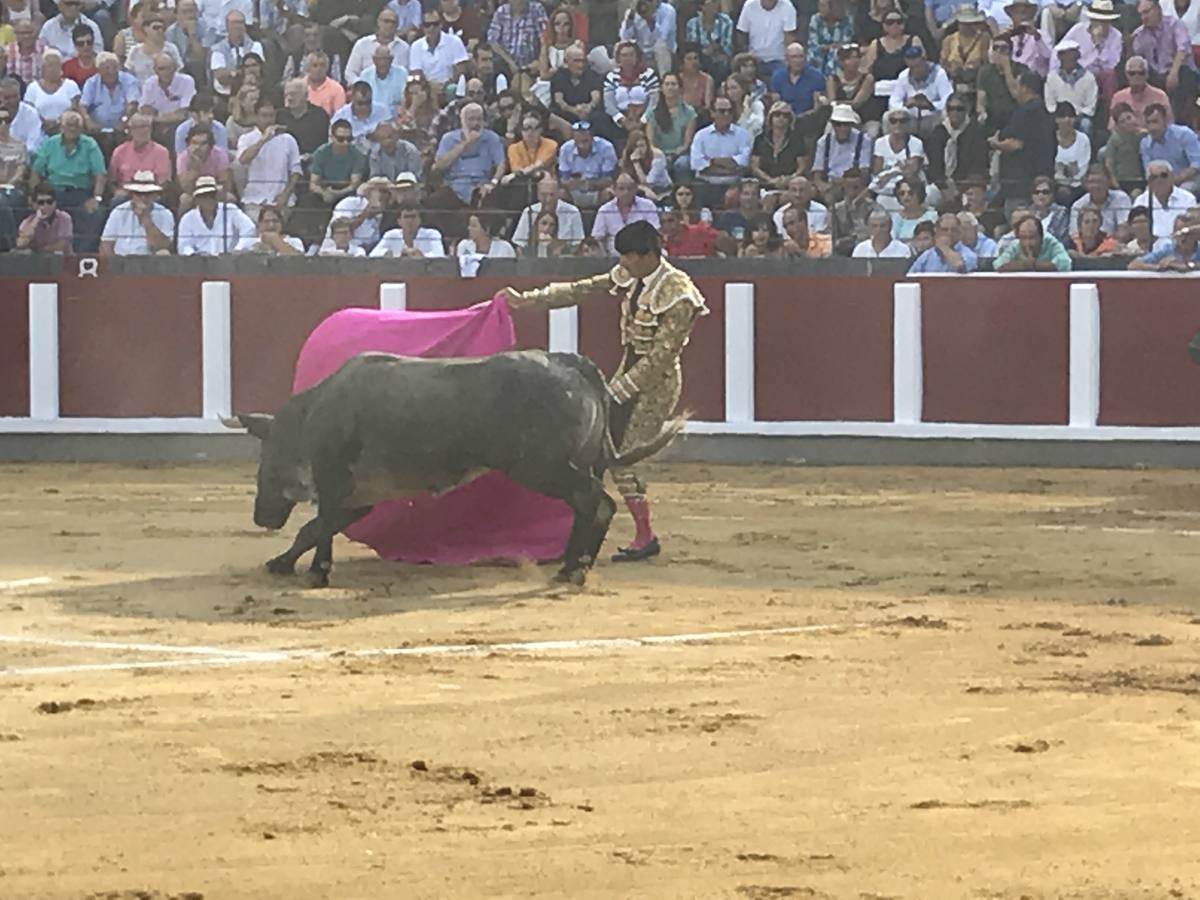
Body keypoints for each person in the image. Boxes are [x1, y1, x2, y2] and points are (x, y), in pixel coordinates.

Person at [503, 220, 709, 562]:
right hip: (629, 367)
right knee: (598, 452)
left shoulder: (678, 292)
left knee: (622, 458)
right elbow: (584, 289)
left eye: (628, 257)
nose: (623, 264)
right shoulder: (633, 274)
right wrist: (529, 300)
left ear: (647, 256)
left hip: (657, 384)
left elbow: (661, 356)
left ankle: (645, 537)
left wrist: (617, 393)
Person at [29, 108, 104, 250]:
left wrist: (97, 198)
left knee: (95, 212)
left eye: (76, 125)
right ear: (61, 127)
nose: (72, 128)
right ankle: (43, 255)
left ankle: (81, 257)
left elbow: (100, 174)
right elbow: (36, 171)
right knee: (39, 210)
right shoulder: (50, 143)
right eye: (69, 124)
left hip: (80, 192)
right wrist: (34, 196)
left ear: (81, 128)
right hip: (53, 192)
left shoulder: (90, 144)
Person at [991, 69, 1055, 202]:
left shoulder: (1026, 112)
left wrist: (995, 144)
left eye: (1018, 85)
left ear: (1025, 88)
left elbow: (1015, 144)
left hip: (1020, 181)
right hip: (1040, 175)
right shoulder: (1044, 110)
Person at [236, 95, 301, 221]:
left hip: (281, 200)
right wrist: (263, 140)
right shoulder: (246, 139)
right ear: (256, 116)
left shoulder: (288, 139)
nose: (268, 120)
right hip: (254, 200)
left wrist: (285, 195)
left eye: (271, 116)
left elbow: (296, 172)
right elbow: (243, 160)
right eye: (264, 116)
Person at [689, 95, 752, 203]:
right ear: (712, 113)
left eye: (730, 111)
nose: (726, 114)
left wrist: (713, 161)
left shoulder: (743, 134)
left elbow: (743, 162)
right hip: (706, 183)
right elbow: (697, 164)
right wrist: (729, 165)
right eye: (722, 111)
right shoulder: (701, 135)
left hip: (734, 183)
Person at [100, 169, 175, 256]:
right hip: (122, 261)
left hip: (151, 264)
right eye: (138, 194)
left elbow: (164, 246)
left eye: (147, 194)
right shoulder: (119, 212)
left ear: (155, 195)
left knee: (164, 253)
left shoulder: (165, 214)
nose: (143, 198)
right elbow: (106, 244)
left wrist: (146, 220)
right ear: (132, 194)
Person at [176, 174, 256, 254]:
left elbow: (249, 229)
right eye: (204, 196)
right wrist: (195, 255)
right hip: (199, 263)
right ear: (197, 199)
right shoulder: (187, 218)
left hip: (229, 261)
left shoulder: (230, 210)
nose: (209, 199)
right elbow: (183, 246)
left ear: (217, 196)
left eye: (212, 196)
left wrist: (238, 249)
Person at [924, 93, 987, 193]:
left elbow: (978, 165)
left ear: (967, 110)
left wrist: (959, 188)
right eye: (951, 109)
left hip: (967, 185)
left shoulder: (976, 133)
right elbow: (934, 165)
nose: (954, 112)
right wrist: (944, 186)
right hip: (941, 185)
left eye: (959, 109)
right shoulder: (938, 132)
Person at [889, 45, 953, 138]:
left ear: (924, 60)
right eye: (911, 67)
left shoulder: (939, 73)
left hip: (932, 116)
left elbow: (948, 100)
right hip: (910, 117)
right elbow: (893, 100)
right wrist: (905, 105)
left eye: (918, 66)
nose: (915, 70)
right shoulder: (904, 75)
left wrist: (931, 105)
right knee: (887, 117)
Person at [592, 171, 660, 253]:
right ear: (614, 190)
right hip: (613, 255)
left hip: (642, 254)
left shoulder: (648, 206)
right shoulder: (604, 210)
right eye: (621, 189)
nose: (626, 192)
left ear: (636, 189)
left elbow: (654, 233)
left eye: (630, 188)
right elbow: (598, 238)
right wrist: (605, 258)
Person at [1140, 102, 1200, 192]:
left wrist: (1177, 179)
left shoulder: (1184, 134)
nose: (1152, 127)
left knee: (1184, 190)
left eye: (1155, 122)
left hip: (1189, 180)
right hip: (1161, 183)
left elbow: (1197, 163)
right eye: (1148, 123)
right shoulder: (1145, 144)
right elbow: (1149, 172)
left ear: (1165, 121)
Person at [557, 119, 617, 209]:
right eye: (578, 141)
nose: (582, 144)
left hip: (598, 191)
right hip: (573, 192)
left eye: (585, 140)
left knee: (609, 192)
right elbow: (563, 180)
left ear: (592, 137)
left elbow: (609, 179)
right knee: (561, 193)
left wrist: (589, 184)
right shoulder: (565, 149)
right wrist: (575, 183)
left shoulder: (606, 147)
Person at [1133, 158, 1198, 235]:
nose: (1159, 180)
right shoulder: (1141, 201)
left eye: (1163, 175)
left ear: (1172, 176)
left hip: (1180, 243)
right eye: (1154, 177)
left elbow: (1191, 227)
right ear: (1148, 181)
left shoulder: (1187, 198)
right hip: (1150, 244)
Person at [1110, 56, 1172, 130]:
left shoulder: (1160, 96)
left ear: (1147, 74)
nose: (1137, 76)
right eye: (1132, 73)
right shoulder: (1118, 97)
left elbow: (1169, 124)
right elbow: (1112, 127)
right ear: (1126, 75)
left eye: (1141, 73)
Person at [736, 0, 797, 74]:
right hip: (753, 58)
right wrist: (745, 55)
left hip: (778, 59)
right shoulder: (749, 5)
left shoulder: (788, 7)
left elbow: (789, 38)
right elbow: (742, 32)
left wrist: (787, 61)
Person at [1069, 163, 1131, 236]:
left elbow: (1124, 231)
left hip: (1115, 244)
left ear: (1108, 182)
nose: (1096, 186)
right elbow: (1074, 235)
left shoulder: (1121, 198)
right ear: (1086, 185)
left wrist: (1106, 245)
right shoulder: (1078, 205)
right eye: (1092, 182)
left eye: (1099, 181)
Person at [994, 213, 1073, 270]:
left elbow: (1065, 263)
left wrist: (1035, 265)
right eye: (1023, 238)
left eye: (1032, 237)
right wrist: (1024, 265)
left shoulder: (1051, 243)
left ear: (1041, 236)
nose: (1027, 243)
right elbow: (998, 265)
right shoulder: (1015, 245)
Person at [1129, 209, 1200, 269]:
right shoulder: (1167, 249)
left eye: (1187, 234)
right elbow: (1133, 265)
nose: (1183, 238)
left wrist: (1188, 265)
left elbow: (1186, 266)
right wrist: (1160, 266)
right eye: (1179, 233)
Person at [908, 211, 979, 272]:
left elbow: (959, 266)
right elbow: (910, 277)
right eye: (945, 230)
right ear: (937, 231)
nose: (949, 233)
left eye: (953, 230)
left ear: (959, 232)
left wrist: (945, 248)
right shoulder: (927, 256)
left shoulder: (968, 254)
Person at [769, 42, 825, 117]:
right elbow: (776, 106)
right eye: (794, 57)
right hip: (785, 118)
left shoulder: (816, 76)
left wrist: (800, 117)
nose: (798, 61)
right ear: (787, 59)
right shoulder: (778, 76)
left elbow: (817, 108)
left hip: (808, 119)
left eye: (801, 57)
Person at [14, 183, 72, 252]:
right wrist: (36, 220)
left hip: (62, 260)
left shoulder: (64, 218)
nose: (46, 206)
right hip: (38, 261)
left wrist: (38, 251)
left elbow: (62, 245)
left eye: (49, 202)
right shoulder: (29, 221)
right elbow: (20, 244)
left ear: (55, 203)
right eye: (41, 202)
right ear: (34, 205)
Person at [371, 204, 447, 256]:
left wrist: (421, 255)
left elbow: (440, 255)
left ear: (420, 220)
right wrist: (387, 254)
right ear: (399, 221)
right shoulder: (391, 234)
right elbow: (372, 255)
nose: (410, 220)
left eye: (413, 217)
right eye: (406, 217)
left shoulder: (432, 234)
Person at [1051, 101, 1090, 200]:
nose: (1067, 120)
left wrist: (1065, 170)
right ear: (1056, 120)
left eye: (1071, 116)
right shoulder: (1049, 138)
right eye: (1063, 117)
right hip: (1055, 185)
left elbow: (1083, 168)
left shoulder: (1083, 139)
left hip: (1078, 185)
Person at [240, 204, 305, 255]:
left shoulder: (294, 241)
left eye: (275, 221)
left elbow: (300, 262)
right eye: (267, 221)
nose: (271, 225)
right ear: (259, 224)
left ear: (281, 224)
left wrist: (276, 242)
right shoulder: (247, 242)